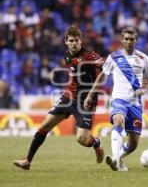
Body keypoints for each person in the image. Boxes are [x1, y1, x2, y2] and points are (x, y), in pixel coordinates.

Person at [14, 26, 105, 170]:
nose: (74, 43)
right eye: (71, 41)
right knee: (45, 125)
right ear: (66, 42)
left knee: (81, 139)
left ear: (81, 41)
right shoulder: (67, 55)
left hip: (85, 100)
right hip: (69, 96)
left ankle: (96, 144)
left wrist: (91, 93)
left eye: (76, 40)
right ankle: (28, 160)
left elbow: (105, 71)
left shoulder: (90, 56)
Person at [84, 26, 148, 171]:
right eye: (126, 39)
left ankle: (120, 159)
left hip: (135, 102)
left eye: (132, 39)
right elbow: (102, 76)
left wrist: (144, 90)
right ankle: (115, 157)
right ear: (122, 40)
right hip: (118, 99)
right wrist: (90, 94)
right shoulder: (113, 57)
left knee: (133, 143)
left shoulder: (144, 59)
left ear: (136, 40)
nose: (129, 41)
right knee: (118, 120)